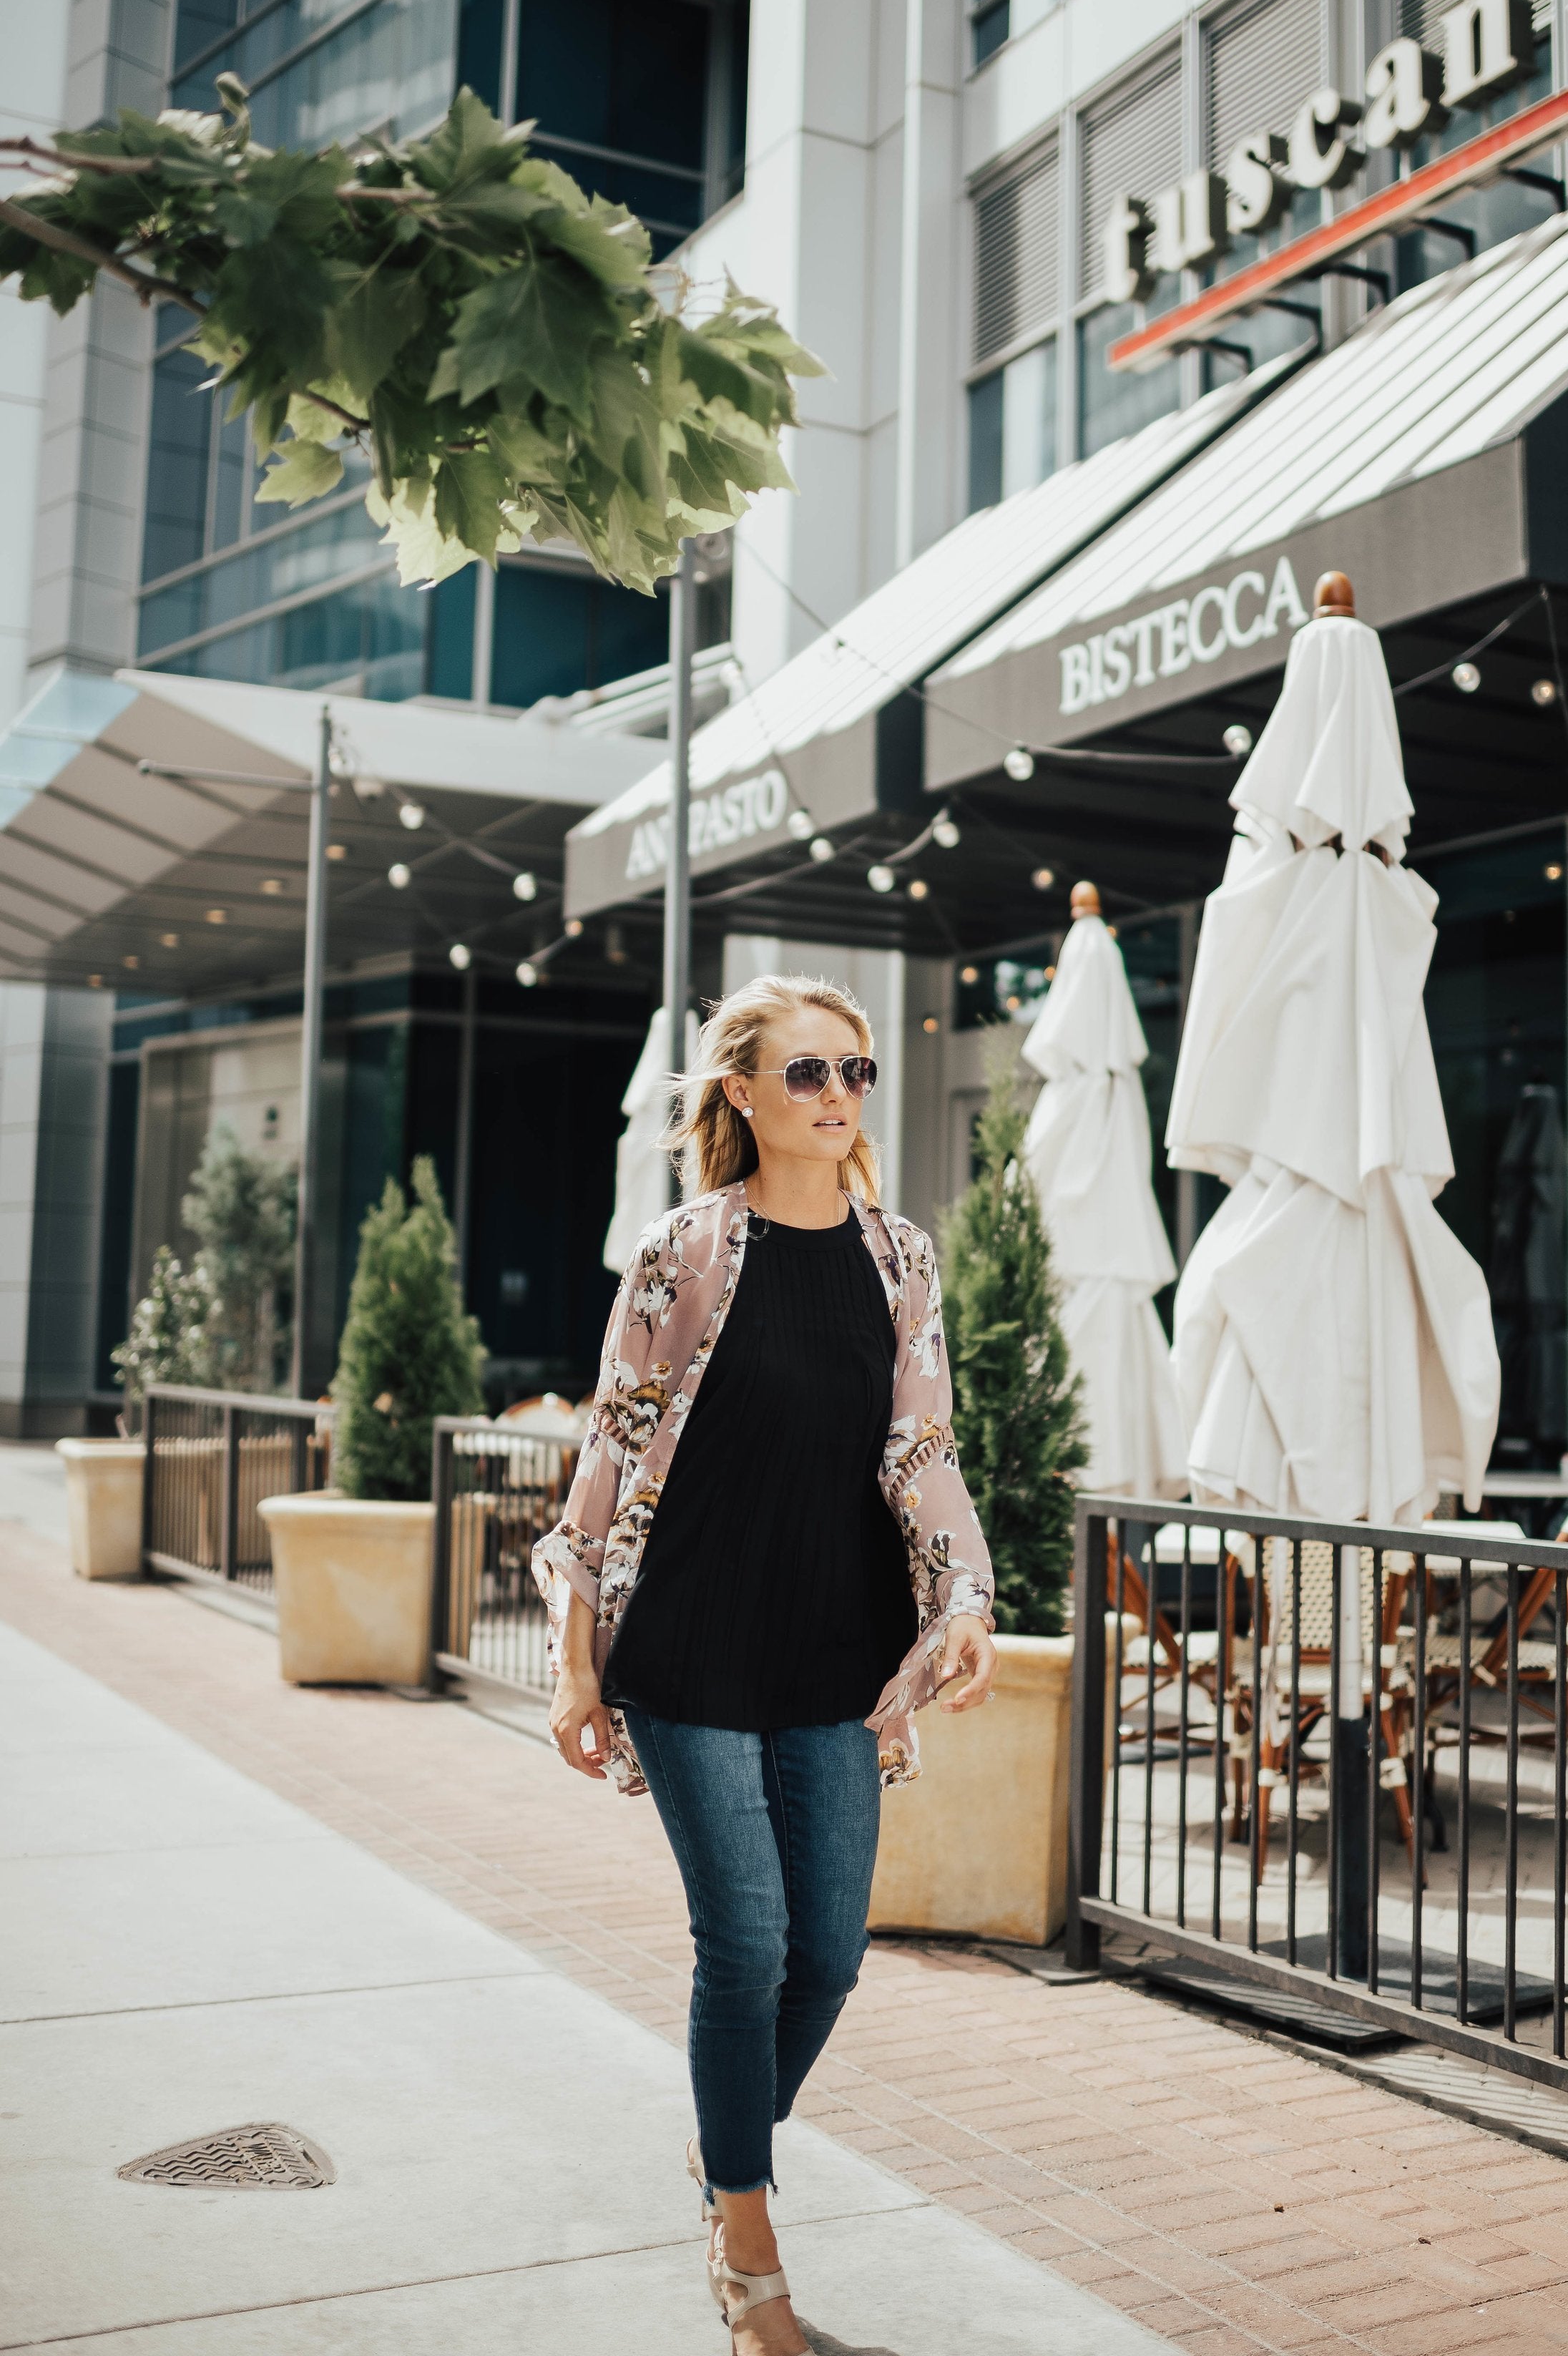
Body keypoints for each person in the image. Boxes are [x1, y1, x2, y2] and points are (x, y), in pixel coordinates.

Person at [534, 974, 997, 2354]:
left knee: (830, 1957)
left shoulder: (900, 1257)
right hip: (687, 1640)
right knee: (744, 1944)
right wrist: (575, 1663)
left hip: (838, 1651)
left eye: (854, 1071)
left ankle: (725, 2140)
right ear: (742, 1092)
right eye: (807, 1072)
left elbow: (921, 1445)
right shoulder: (683, 1251)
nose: (837, 1095)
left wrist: (964, 1599)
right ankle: (749, 2246)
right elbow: (613, 1446)